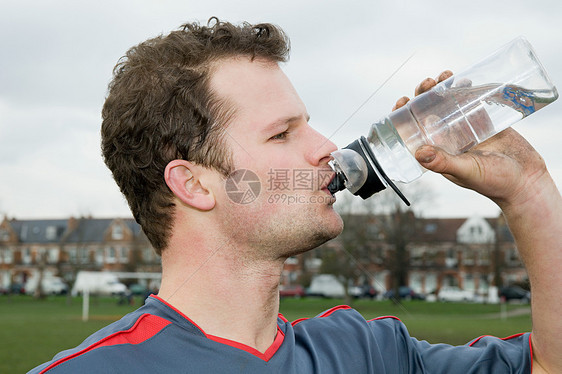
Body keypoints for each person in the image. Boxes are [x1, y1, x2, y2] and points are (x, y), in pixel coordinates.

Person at [29, 18, 561, 373]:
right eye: (282, 133)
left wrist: (529, 191)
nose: (326, 148)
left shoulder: (369, 353)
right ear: (192, 184)